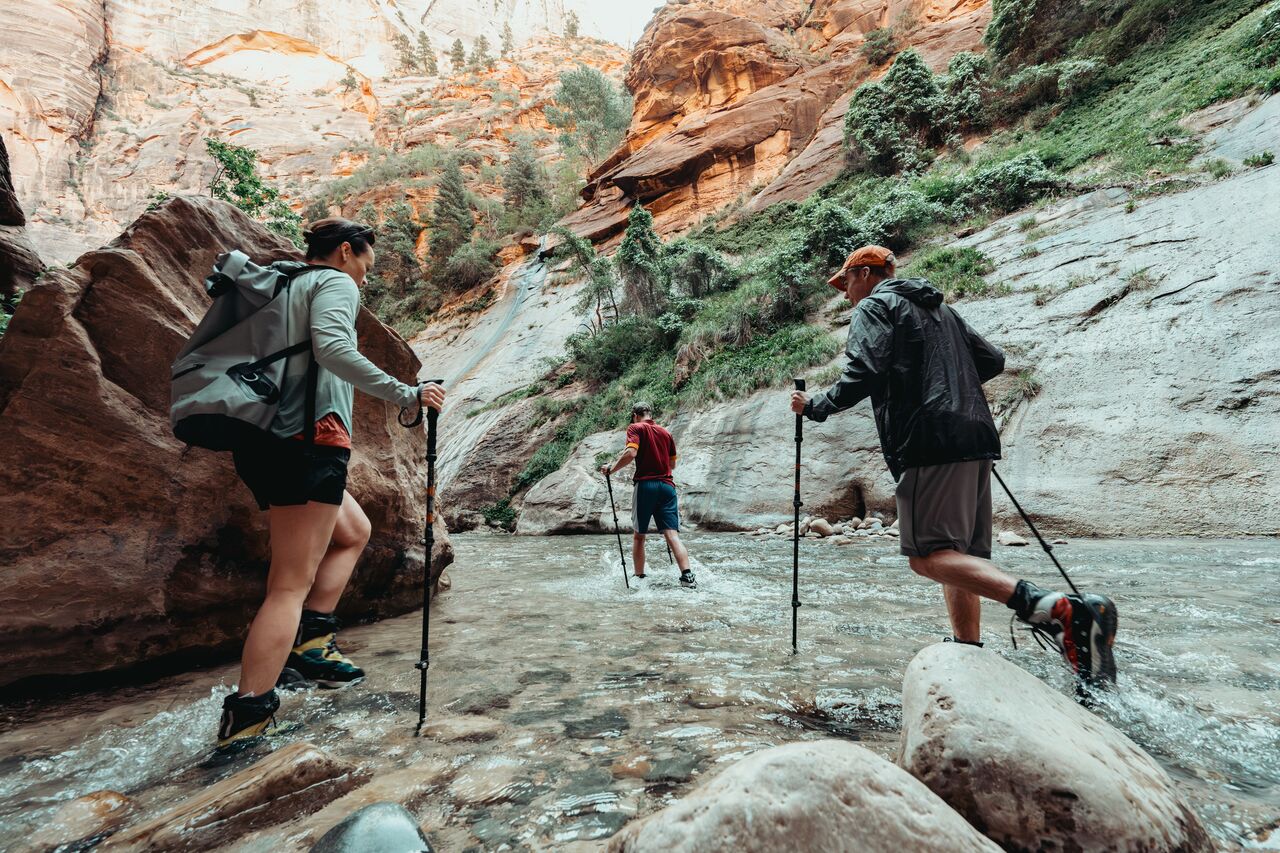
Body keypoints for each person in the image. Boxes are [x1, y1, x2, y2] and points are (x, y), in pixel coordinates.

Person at [789, 245, 1117, 684]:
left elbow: (862, 371)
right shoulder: (942, 309)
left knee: (927, 557)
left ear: (866, 273)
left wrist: (814, 406)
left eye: (846, 281)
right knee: (962, 554)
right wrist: (948, 383)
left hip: (928, 439)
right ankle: (968, 647)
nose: (845, 293)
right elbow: (992, 360)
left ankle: (1057, 609)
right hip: (975, 434)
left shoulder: (874, 305)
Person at [218, 218, 446, 749]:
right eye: (367, 261)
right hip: (305, 441)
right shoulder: (333, 282)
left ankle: (313, 646)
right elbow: (335, 352)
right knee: (288, 586)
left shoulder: (285, 284)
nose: (367, 276)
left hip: (265, 438)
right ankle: (248, 716)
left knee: (354, 530)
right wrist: (407, 394)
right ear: (346, 251)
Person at [599, 402, 697, 588]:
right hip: (668, 486)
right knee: (672, 534)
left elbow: (631, 453)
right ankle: (687, 576)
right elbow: (672, 465)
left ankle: (639, 577)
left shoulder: (635, 428)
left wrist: (611, 469)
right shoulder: (666, 433)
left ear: (635, 415)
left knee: (639, 535)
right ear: (650, 414)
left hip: (646, 486)